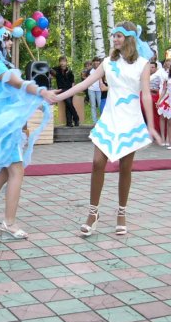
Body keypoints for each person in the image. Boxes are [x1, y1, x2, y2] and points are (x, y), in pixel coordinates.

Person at [55, 21, 161, 237]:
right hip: (109, 119)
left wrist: (151, 125)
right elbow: (84, 85)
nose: (114, 39)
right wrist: (58, 97)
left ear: (129, 38)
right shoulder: (107, 62)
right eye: (113, 35)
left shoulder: (142, 64)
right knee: (97, 163)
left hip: (130, 120)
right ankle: (93, 213)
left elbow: (146, 95)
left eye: (119, 36)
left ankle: (121, 213)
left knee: (125, 168)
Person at [0, 25, 59, 240]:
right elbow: (17, 82)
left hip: (4, 123)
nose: (9, 43)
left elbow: (15, 93)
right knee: (16, 170)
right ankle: (9, 223)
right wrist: (41, 91)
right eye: (6, 40)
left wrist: (38, 98)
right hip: (0, 125)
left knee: (5, 171)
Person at [51, 56, 79, 127]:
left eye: (64, 61)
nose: (62, 63)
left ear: (66, 62)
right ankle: (76, 118)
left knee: (68, 104)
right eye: (61, 61)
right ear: (59, 62)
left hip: (69, 89)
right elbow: (49, 71)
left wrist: (73, 90)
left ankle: (69, 123)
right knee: (69, 103)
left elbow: (72, 82)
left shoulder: (69, 71)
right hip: (62, 89)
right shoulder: (56, 69)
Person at [87, 56, 102, 123]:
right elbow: (85, 78)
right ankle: (94, 121)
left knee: (100, 105)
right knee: (93, 105)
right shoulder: (90, 70)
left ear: (99, 62)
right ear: (93, 62)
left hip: (99, 90)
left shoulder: (102, 69)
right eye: (95, 61)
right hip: (91, 89)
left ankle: (102, 120)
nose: (96, 62)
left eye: (98, 61)